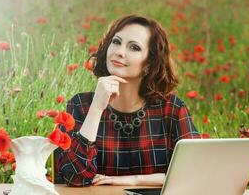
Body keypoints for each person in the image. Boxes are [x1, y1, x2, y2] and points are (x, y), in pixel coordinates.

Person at [56, 14, 200, 187]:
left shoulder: (172, 109)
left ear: (149, 63)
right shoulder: (80, 104)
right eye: (116, 42)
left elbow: (195, 173)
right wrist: (96, 108)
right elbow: (74, 177)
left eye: (134, 47)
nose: (119, 52)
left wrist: (133, 180)